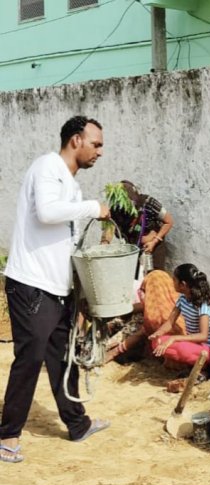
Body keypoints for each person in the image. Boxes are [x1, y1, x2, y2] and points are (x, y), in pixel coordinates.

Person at [1, 116, 112, 462]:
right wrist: (94, 207)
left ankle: (77, 423)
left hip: (55, 287)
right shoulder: (47, 166)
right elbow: (47, 212)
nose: (100, 152)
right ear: (76, 140)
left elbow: (64, 236)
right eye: (96, 144)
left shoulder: (72, 184)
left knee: (63, 357)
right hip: (31, 284)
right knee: (30, 359)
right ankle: (7, 438)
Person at [149, 263, 210, 374]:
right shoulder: (182, 298)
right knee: (157, 342)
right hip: (193, 345)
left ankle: (205, 368)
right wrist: (158, 333)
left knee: (182, 349)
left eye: (174, 280)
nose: (172, 283)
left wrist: (175, 338)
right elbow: (170, 322)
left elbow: (203, 336)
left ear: (183, 284)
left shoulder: (203, 305)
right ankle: (194, 366)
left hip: (209, 349)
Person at [105, 269, 185, 363]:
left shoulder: (159, 313)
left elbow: (141, 333)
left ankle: (102, 347)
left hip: (174, 352)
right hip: (179, 348)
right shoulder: (178, 301)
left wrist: (113, 352)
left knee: (140, 322)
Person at [102, 180, 173, 270]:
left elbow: (169, 222)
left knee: (154, 277)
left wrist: (154, 241)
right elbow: (110, 227)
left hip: (154, 247)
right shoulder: (117, 209)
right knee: (135, 278)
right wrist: (104, 244)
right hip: (133, 248)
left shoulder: (148, 202)